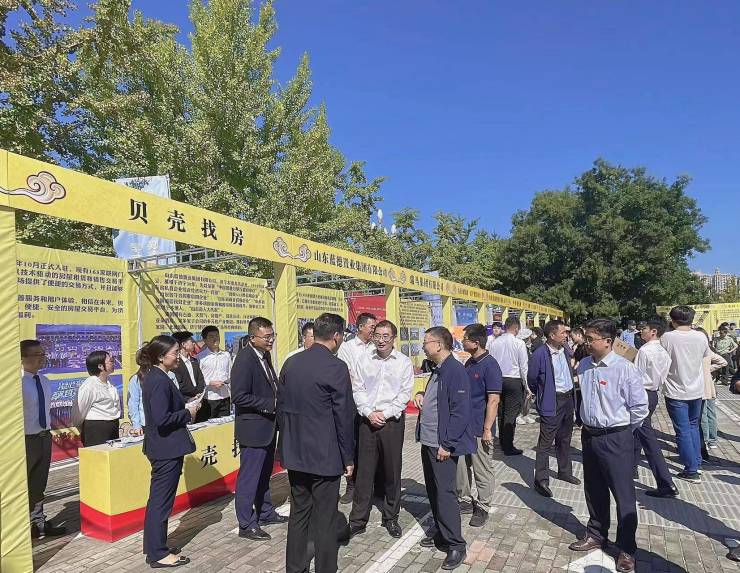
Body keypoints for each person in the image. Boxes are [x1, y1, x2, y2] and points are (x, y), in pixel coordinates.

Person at [278, 313, 356, 573]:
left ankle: (295, 568)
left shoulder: (291, 363)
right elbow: (343, 417)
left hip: (296, 453)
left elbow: (281, 409)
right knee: (325, 519)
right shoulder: (336, 367)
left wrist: (285, 448)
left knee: (299, 514)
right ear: (336, 336)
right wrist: (348, 457)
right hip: (325, 455)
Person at [569, 319, 648, 573]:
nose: (586, 343)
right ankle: (596, 534)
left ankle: (626, 549)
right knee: (594, 489)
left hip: (616, 437)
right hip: (589, 435)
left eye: (590, 339)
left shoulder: (625, 369)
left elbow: (639, 408)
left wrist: (622, 432)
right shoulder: (584, 365)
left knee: (623, 495)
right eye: (586, 338)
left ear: (607, 341)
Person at [414, 326, 476, 571]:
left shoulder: (455, 370)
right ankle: (441, 532)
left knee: (445, 494)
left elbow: (461, 411)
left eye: (426, 342)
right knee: (434, 491)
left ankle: (456, 544)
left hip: (442, 444)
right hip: (429, 441)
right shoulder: (438, 368)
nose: (423, 346)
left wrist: (447, 444)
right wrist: (423, 394)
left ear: (439, 345)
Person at [348, 320, 414, 539]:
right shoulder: (364, 359)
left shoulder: (403, 362)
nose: (381, 340)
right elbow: (357, 389)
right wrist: (369, 413)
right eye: (377, 335)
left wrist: (384, 414)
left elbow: (404, 394)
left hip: (391, 422)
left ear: (394, 338)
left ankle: (391, 517)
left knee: (392, 471)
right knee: (364, 472)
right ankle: (358, 520)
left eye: (386, 336)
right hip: (367, 420)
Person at [140, 335, 200, 568]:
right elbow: (162, 419)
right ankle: (157, 553)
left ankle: (156, 546)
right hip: (165, 449)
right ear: (160, 356)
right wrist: (187, 413)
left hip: (165, 447)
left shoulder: (158, 376)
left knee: (160, 500)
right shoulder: (157, 380)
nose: (178, 357)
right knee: (160, 502)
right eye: (175, 353)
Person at [231, 317, 286, 541]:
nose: (271, 340)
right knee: (249, 478)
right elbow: (239, 396)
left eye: (272, 336)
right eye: (266, 337)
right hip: (253, 429)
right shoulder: (244, 360)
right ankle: (246, 523)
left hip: (268, 427)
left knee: (264, 474)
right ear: (253, 338)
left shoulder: (264, 355)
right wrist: (270, 404)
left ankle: (265, 512)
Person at [660, 305, 712, 483]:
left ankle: (691, 470)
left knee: (682, 430)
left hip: (676, 390)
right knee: (693, 426)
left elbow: (661, 359)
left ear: (672, 320)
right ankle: (697, 463)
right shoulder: (700, 336)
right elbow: (705, 355)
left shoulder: (667, 337)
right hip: (696, 389)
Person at [456, 323, 502, 527]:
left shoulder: (490, 365)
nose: (462, 341)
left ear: (476, 342)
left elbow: (493, 400)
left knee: (481, 468)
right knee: (461, 466)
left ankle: (483, 506)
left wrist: (487, 429)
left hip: (480, 427)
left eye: (465, 338)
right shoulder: (470, 363)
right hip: (464, 427)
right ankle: (465, 500)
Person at [528, 319, 580, 498]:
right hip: (552, 400)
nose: (566, 335)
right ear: (552, 335)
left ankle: (564, 471)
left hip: (568, 398)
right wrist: (542, 394)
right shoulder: (540, 354)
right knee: (545, 442)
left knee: (565, 438)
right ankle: (541, 480)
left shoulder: (565, 349)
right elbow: (532, 379)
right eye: (563, 332)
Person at [21, 340, 67, 539]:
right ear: (22, 358)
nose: (42, 358)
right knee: (24, 483)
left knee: (39, 482)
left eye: (43, 354)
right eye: (36, 354)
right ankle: (23, 525)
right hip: (24, 439)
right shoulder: (16, 382)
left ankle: (38, 522)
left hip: (44, 436)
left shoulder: (45, 381)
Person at [633, 317, 678, 498]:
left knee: (647, 438)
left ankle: (666, 483)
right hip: (653, 394)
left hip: (641, 394)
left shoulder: (644, 351)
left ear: (653, 331)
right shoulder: (663, 352)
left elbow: (636, 378)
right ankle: (631, 468)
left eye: (644, 328)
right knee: (636, 432)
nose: (641, 331)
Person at [337, 312, 377, 503]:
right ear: (360, 327)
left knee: (370, 445)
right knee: (352, 444)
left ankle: (371, 485)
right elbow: (349, 374)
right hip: (353, 402)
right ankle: (351, 485)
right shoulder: (347, 348)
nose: (374, 331)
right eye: (372, 327)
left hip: (373, 402)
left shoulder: (375, 347)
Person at [488, 316, 529, 455]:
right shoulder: (519, 343)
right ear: (516, 328)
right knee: (511, 414)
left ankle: (502, 442)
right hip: (514, 380)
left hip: (497, 380)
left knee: (500, 413)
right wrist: (527, 386)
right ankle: (508, 445)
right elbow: (524, 366)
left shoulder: (494, 343)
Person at [72, 351, 121, 446]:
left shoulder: (109, 382)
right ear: (100, 366)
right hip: (96, 429)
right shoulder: (89, 385)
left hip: (112, 425)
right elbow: (79, 411)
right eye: (111, 361)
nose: (113, 363)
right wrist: (83, 429)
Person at [696, 328, 726, 453]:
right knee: (711, 413)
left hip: (701, 387)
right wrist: (709, 369)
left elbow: (723, 362)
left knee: (703, 414)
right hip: (710, 386)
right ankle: (712, 440)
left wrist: (707, 369)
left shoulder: (699, 350)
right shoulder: (709, 350)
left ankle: (706, 439)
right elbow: (722, 362)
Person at [197, 325, 232, 418]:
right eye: (211, 336)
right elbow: (198, 379)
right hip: (209, 398)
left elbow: (230, 374)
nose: (215, 338)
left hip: (225, 396)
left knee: (225, 424)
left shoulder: (226, 355)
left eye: (217, 335)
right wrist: (210, 383)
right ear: (205, 340)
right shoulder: (200, 357)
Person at [171, 331, 207, 422]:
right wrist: (189, 399)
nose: (194, 343)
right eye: (191, 341)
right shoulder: (175, 364)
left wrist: (199, 396)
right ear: (183, 344)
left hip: (198, 401)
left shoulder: (194, 361)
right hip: (184, 403)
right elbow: (178, 385)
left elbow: (200, 379)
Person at [127, 345, 148, 436]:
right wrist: (136, 425)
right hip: (145, 424)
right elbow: (133, 403)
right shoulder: (136, 379)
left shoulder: (170, 375)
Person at [570, 327, 589, 427]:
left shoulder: (586, 347)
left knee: (581, 399)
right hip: (578, 376)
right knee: (578, 398)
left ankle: (580, 420)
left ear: (579, 335)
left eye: (572, 336)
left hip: (583, 377)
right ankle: (579, 420)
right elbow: (575, 359)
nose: (571, 338)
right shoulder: (578, 347)